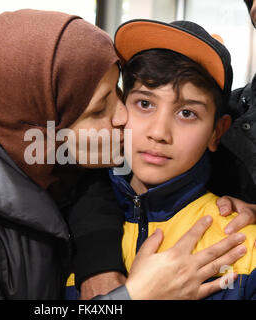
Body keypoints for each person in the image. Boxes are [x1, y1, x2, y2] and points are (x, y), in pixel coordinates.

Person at [0, 9, 248, 300]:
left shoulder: (55, 173)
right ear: (40, 120)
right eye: (101, 107)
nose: (125, 117)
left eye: (117, 93)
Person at [68, 9, 256, 299]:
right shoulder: (61, 229)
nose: (159, 132)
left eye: (186, 113)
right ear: (120, 107)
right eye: (144, 104)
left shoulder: (243, 245)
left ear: (217, 132)